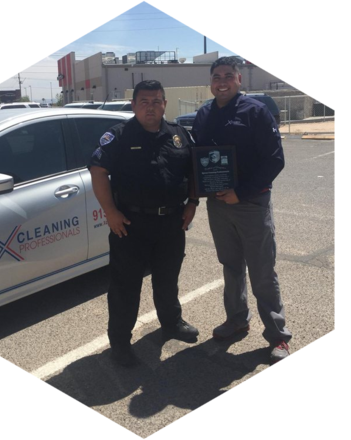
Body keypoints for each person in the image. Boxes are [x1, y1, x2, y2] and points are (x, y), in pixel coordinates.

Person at [89, 80, 199, 367]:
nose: (151, 107)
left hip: (172, 223)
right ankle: (120, 343)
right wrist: (110, 212)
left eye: (156, 101)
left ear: (164, 104)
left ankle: (172, 323)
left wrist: (192, 203)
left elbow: (194, 171)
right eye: (144, 102)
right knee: (125, 287)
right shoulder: (119, 135)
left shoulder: (178, 135)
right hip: (130, 224)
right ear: (134, 105)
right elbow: (99, 171)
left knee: (167, 279)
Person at [191, 57, 292, 365]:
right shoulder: (204, 114)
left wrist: (241, 193)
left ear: (238, 80)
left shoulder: (256, 112)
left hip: (250, 204)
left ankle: (278, 336)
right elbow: (197, 159)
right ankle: (237, 320)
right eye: (216, 76)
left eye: (228, 76)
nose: (222, 81)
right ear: (211, 82)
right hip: (218, 206)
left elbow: (275, 160)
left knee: (262, 270)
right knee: (231, 266)